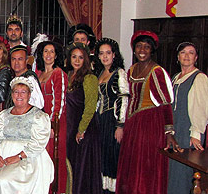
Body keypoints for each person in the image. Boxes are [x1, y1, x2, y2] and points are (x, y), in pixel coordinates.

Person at [116, 31, 179, 194]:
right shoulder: (131, 70)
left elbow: (165, 104)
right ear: (134, 49)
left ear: (152, 50)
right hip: (132, 125)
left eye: (146, 47)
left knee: (146, 167)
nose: (142, 50)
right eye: (139, 46)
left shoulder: (156, 72)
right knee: (132, 166)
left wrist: (169, 132)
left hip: (150, 125)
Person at [0, 75, 53, 194]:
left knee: (2, 181)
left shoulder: (38, 116)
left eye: (23, 92)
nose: (19, 95)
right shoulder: (4, 115)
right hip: (3, 154)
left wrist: (18, 157)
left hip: (28, 158)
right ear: (11, 94)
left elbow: (38, 142)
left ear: (29, 95)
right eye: (16, 92)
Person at [167, 42, 208, 194]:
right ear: (178, 57)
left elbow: (202, 108)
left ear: (196, 58)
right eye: (183, 52)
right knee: (172, 173)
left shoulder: (199, 78)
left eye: (191, 53)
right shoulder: (175, 77)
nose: (187, 56)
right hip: (175, 131)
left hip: (188, 132)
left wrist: (196, 134)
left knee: (182, 174)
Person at [66, 42, 102, 194]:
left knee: (82, 168)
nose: (77, 60)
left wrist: (81, 130)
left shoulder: (89, 78)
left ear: (86, 59)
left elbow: (90, 107)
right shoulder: (68, 76)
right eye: (74, 57)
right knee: (72, 165)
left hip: (84, 129)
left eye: (80, 57)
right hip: (70, 125)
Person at [93, 38, 128, 194]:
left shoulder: (119, 73)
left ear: (114, 54)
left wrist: (120, 125)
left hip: (111, 120)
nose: (105, 56)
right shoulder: (100, 73)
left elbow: (123, 98)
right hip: (100, 121)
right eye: (101, 53)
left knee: (112, 157)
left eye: (108, 53)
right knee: (101, 158)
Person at [34, 37, 68, 193]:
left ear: (56, 55)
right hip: (40, 122)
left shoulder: (58, 73)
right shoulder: (39, 74)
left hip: (54, 124)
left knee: (53, 158)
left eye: (52, 52)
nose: (48, 54)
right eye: (45, 51)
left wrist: (53, 125)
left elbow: (60, 102)